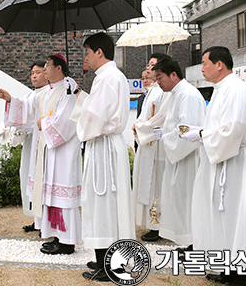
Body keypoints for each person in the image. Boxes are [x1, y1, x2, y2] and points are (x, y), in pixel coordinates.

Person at [181, 46, 246, 286]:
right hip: (220, 161)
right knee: (221, 216)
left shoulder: (236, 89)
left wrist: (202, 134)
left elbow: (232, 131)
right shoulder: (220, 90)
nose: (202, 67)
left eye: (205, 63)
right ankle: (228, 267)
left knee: (236, 216)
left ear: (219, 64)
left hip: (233, 162)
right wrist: (201, 134)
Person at [0, 53, 83, 254]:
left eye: (47, 66)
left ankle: (67, 241)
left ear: (59, 68)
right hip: (48, 152)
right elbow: (28, 108)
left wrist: (43, 123)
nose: (44, 70)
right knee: (51, 196)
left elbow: (66, 121)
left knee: (62, 196)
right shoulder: (48, 92)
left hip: (63, 152)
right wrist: (10, 99)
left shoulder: (69, 91)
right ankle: (57, 236)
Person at [69, 32, 134, 281]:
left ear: (99, 52)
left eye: (86, 53)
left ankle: (108, 263)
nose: (86, 58)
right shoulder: (110, 77)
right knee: (104, 203)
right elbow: (97, 111)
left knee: (104, 203)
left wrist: (80, 112)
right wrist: (78, 96)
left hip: (103, 145)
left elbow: (94, 118)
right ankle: (103, 258)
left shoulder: (107, 78)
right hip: (105, 143)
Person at [136, 57, 205, 251]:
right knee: (181, 201)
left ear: (173, 75)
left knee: (189, 200)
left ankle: (195, 245)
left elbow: (187, 129)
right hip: (178, 156)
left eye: (160, 77)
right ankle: (190, 242)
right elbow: (174, 125)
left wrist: (167, 138)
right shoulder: (175, 94)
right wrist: (161, 133)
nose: (157, 82)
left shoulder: (188, 95)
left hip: (188, 157)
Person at [131, 53, 169, 242]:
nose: (149, 69)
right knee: (147, 183)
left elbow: (161, 118)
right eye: (148, 65)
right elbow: (144, 116)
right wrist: (137, 125)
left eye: (153, 65)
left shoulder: (162, 91)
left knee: (157, 186)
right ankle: (150, 221)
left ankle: (158, 224)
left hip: (158, 146)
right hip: (147, 144)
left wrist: (140, 127)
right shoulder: (151, 91)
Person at [10, 61, 48, 232]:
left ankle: (44, 222)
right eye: (32, 73)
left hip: (42, 143)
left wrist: (11, 100)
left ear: (47, 73)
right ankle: (36, 220)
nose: (34, 76)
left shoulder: (48, 93)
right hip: (30, 143)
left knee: (41, 180)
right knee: (28, 177)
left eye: (38, 72)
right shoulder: (30, 94)